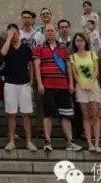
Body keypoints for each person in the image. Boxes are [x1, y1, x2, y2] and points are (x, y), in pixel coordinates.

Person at [33, 23, 81, 153]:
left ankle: (70, 142)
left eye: (52, 31)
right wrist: (40, 83)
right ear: (44, 33)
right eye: (47, 31)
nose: (50, 33)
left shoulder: (64, 48)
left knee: (66, 115)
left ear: (56, 32)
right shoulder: (39, 48)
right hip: (47, 86)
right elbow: (37, 66)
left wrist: (71, 83)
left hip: (63, 86)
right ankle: (48, 142)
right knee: (48, 115)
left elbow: (68, 66)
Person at [1, 23, 36, 152]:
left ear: (18, 33)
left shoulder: (26, 48)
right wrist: (9, 38)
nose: (12, 35)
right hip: (10, 84)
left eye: (14, 33)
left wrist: (31, 81)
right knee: (11, 114)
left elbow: (31, 64)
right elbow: (3, 53)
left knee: (26, 114)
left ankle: (29, 141)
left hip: (24, 84)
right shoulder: (7, 47)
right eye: (10, 33)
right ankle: (11, 141)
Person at [69, 32, 101, 152]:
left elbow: (96, 70)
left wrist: (91, 83)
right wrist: (82, 84)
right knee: (85, 115)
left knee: (95, 115)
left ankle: (97, 143)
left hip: (93, 86)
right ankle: (90, 143)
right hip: (81, 87)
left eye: (81, 40)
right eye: (77, 41)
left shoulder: (92, 54)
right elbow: (75, 73)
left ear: (85, 42)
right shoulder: (73, 57)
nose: (79, 43)